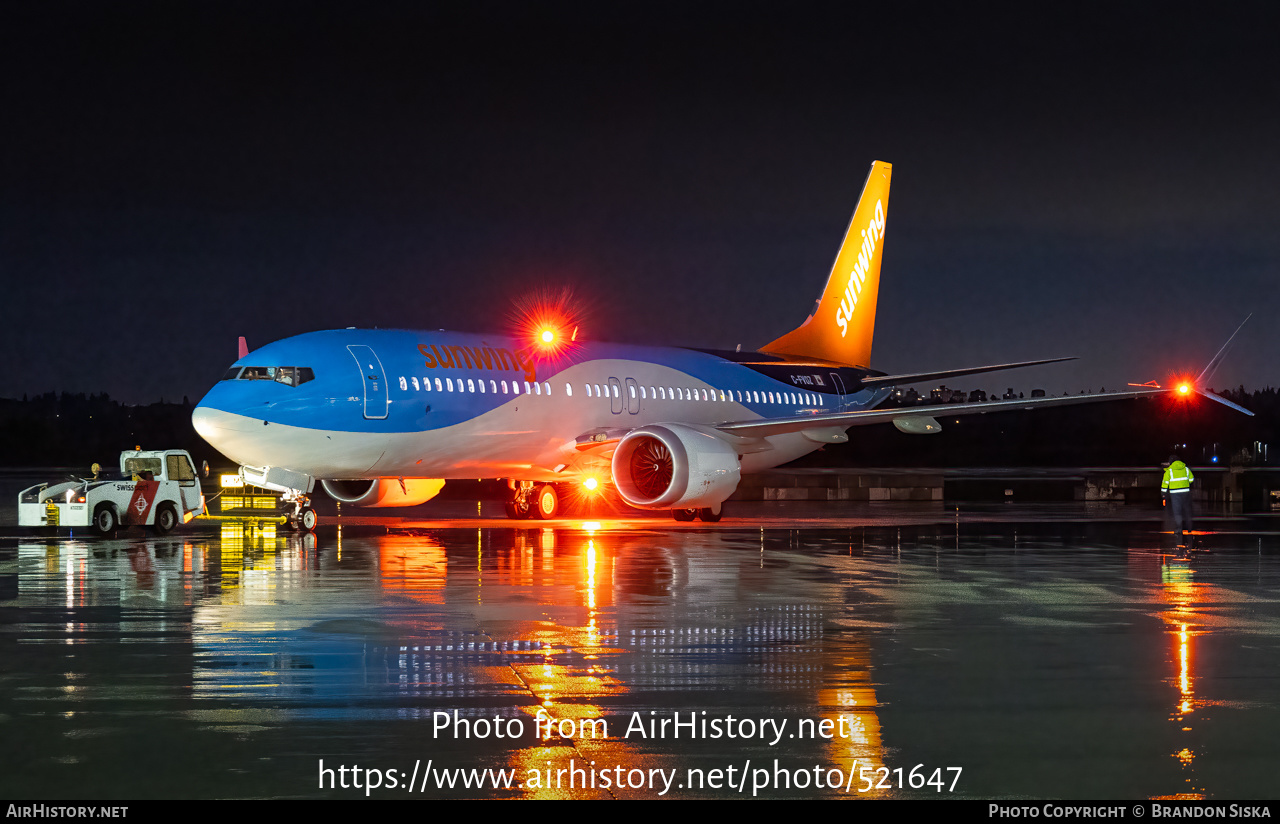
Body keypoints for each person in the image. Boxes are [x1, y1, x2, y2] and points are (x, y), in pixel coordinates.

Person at [1162, 454, 1195, 547]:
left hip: (1175, 493)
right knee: (1187, 510)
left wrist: (1163, 493)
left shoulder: (1169, 471)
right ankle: (1189, 529)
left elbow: (1165, 483)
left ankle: (1179, 530)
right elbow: (1191, 479)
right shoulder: (1186, 469)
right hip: (1186, 492)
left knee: (1178, 512)